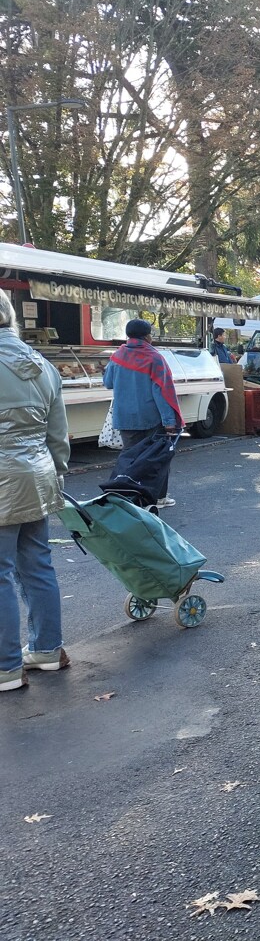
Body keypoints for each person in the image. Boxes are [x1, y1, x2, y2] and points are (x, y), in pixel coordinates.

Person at [0, 291, 71, 691]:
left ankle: (6, 667)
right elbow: (57, 434)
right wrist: (56, 472)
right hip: (38, 475)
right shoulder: (42, 364)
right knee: (37, 565)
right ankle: (46, 650)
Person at [103, 319, 182, 508]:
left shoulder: (117, 356)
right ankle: (158, 497)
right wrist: (169, 421)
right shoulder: (154, 358)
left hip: (124, 417)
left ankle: (125, 494)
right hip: (150, 418)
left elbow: (108, 383)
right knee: (156, 458)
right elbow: (162, 391)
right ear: (147, 336)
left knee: (129, 456)